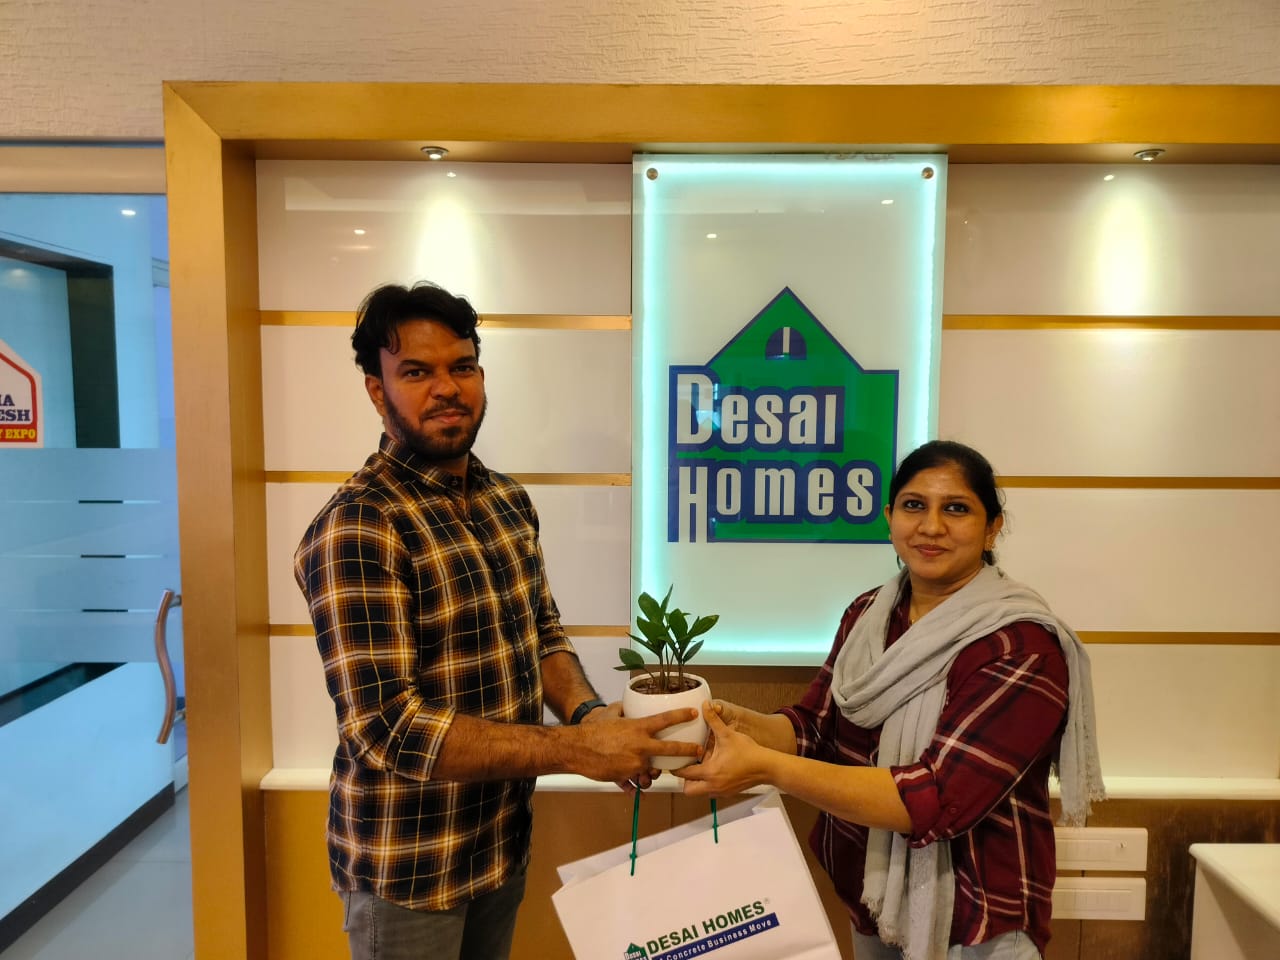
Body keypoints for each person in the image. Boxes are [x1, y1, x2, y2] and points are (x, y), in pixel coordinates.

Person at [294, 281, 700, 960]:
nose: (446, 388)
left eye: (463, 366)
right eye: (416, 372)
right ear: (377, 391)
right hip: (410, 869)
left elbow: (541, 635)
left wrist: (588, 716)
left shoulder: (505, 501)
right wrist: (576, 751)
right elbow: (388, 728)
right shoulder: (361, 525)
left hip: (499, 845)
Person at [675, 440, 1105, 960]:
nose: (931, 526)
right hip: (873, 900)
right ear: (888, 517)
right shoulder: (869, 615)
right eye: (914, 505)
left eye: (956, 509)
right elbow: (815, 728)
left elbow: (934, 797)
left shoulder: (1020, 644)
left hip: (977, 922)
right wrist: (730, 723)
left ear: (992, 528)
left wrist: (767, 768)